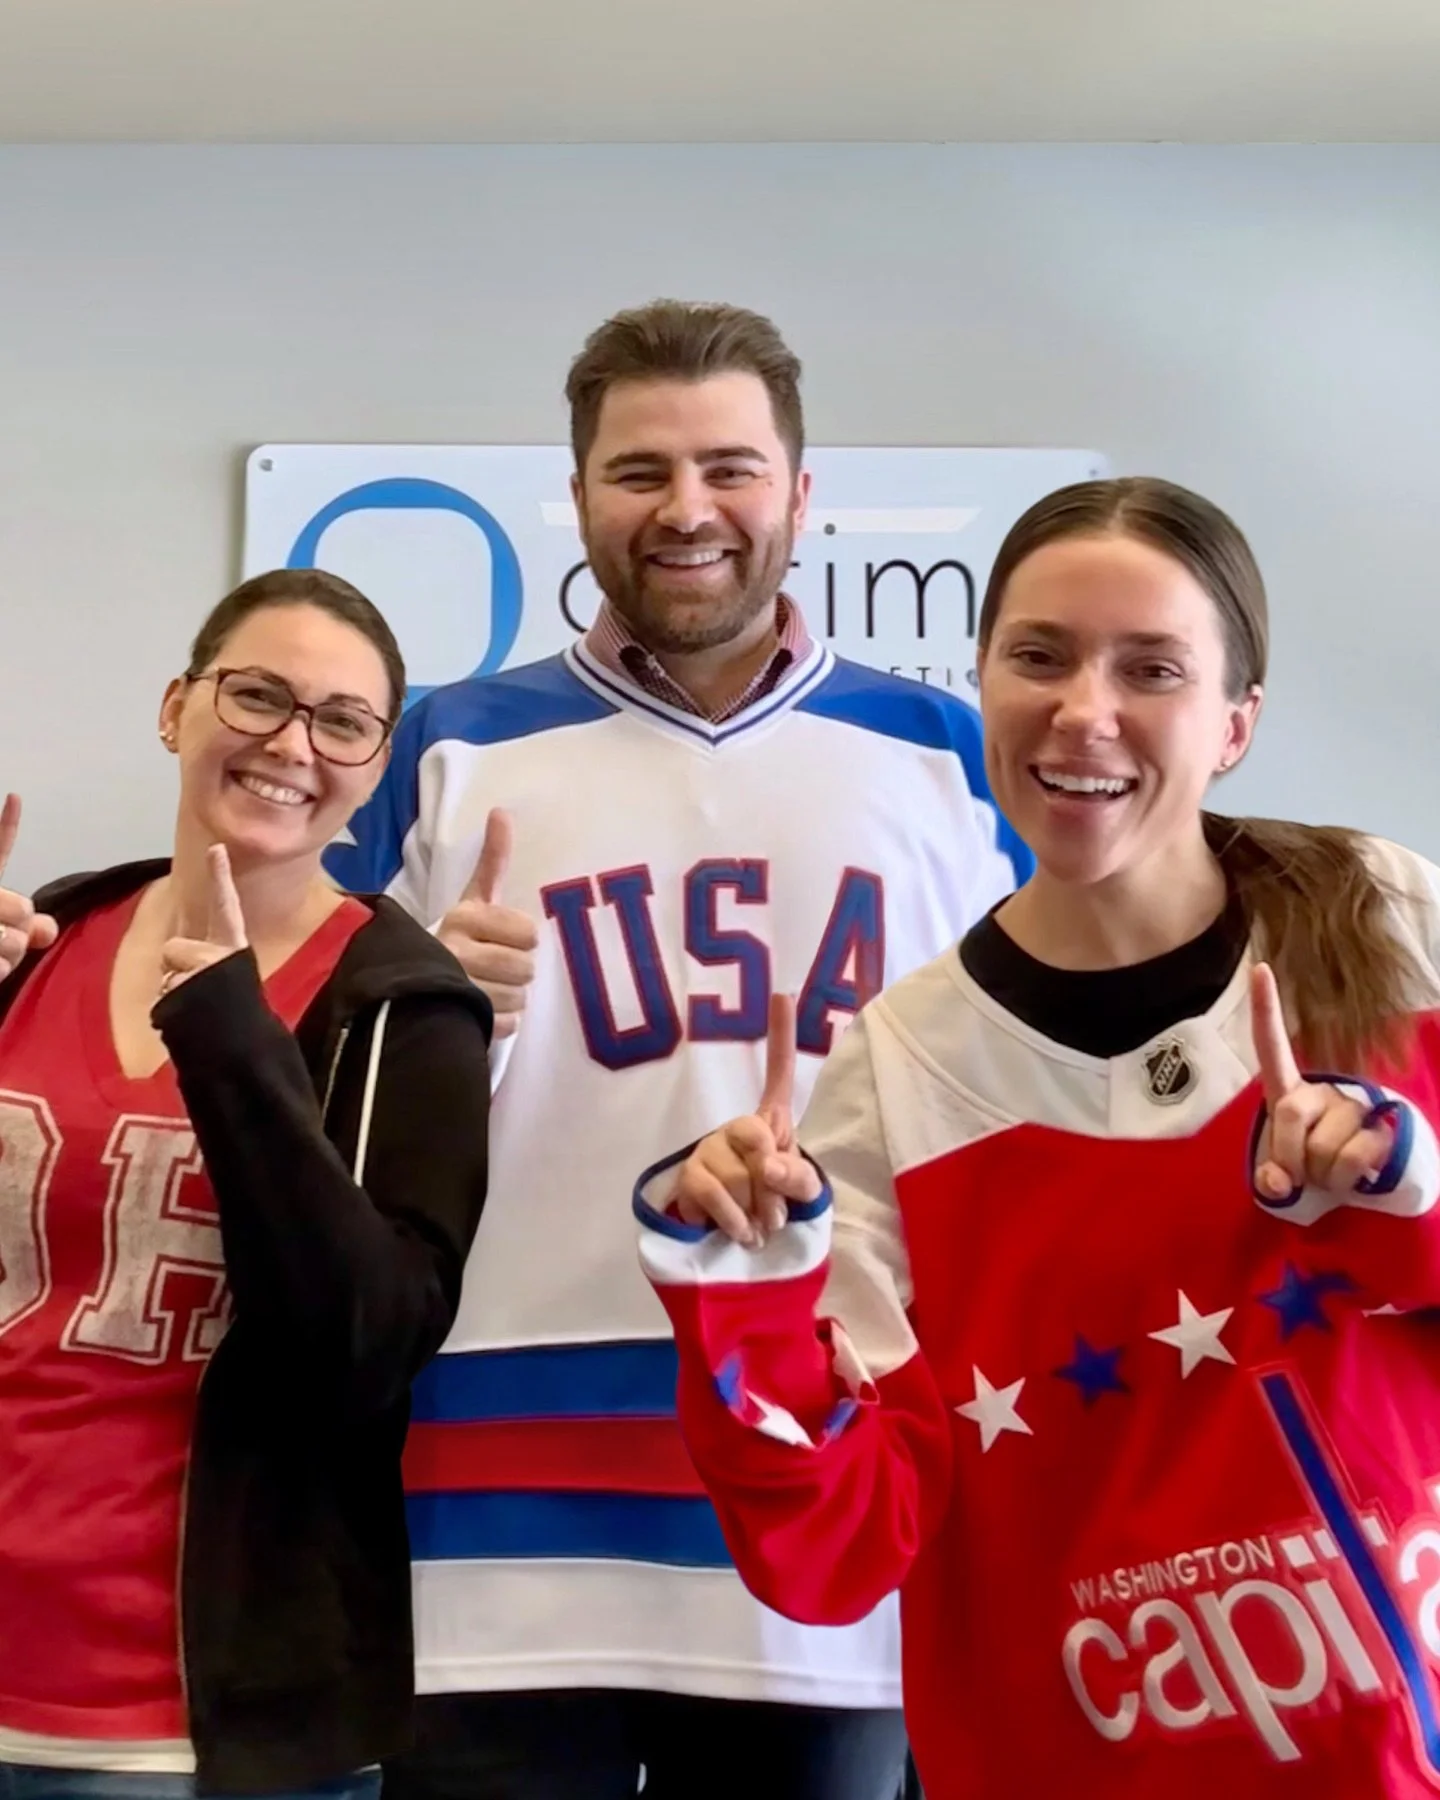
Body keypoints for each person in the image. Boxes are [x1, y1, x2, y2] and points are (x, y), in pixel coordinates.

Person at [641, 474, 1440, 1800]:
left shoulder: (1387, 920)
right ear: (981, 682)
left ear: (1236, 723)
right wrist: (745, 1302)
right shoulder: (892, 1077)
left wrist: (1404, 1195)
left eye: (1153, 669)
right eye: (1039, 657)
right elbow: (836, 1553)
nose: (1084, 713)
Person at [325, 299, 1029, 1800]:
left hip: (822, 1483)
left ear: (800, 492)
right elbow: (304, 1080)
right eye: (639, 472)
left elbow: (1037, 1091)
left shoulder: (953, 756)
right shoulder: (443, 741)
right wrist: (417, 1000)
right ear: (577, 497)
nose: (687, 509)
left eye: (730, 467)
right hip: (494, 1512)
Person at [0, 569, 493, 1799]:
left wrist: (226, 1033)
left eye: (342, 722)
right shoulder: (45, 940)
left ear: (376, 770)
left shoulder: (406, 1009)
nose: (291, 743)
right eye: (257, 696)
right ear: (176, 708)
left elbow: (365, 1343)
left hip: (194, 1732)